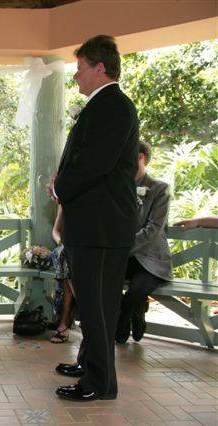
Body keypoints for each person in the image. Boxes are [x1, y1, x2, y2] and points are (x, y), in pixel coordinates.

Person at [52, 35, 139, 401]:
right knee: (91, 303)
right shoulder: (101, 105)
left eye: (80, 69)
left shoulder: (114, 106)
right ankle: (90, 364)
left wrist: (61, 188)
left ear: (100, 68)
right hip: (92, 224)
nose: (76, 77)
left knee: (100, 308)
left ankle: (99, 384)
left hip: (102, 227)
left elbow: (94, 163)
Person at [116, 141, 172, 343]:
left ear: (140, 157)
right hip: (124, 258)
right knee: (105, 283)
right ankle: (137, 309)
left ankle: (127, 320)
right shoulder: (119, 187)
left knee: (136, 291)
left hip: (151, 259)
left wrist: (122, 247)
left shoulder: (160, 189)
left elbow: (153, 230)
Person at [48, 206, 76, 344]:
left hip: (86, 251)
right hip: (66, 250)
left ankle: (63, 324)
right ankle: (65, 322)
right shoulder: (64, 203)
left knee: (68, 265)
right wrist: (60, 241)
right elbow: (55, 231)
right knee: (65, 256)